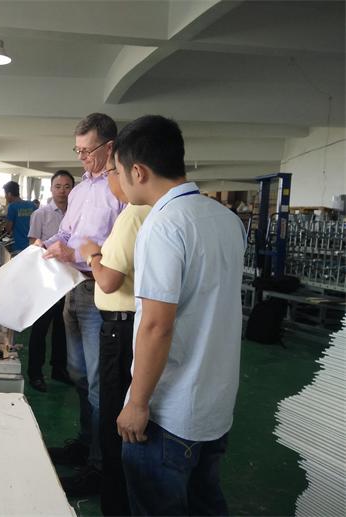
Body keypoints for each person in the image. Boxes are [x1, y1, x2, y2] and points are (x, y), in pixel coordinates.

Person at [114, 115, 246, 515]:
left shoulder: (163, 225)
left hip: (169, 413)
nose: (118, 182)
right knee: (206, 503)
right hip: (215, 404)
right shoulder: (227, 219)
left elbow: (157, 325)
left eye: (118, 171)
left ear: (138, 171)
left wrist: (138, 403)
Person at [40, 113, 126, 496]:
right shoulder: (79, 191)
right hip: (72, 288)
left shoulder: (119, 189)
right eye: (77, 151)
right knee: (77, 373)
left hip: (100, 292)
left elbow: (118, 248)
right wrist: (46, 244)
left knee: (98, 382)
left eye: (87, 151)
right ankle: (85, 442)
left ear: (110, 146)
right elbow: (67, 232)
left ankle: (99, 465)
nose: (82, 158)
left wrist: (72, 252)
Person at [79, 151, 151, 515]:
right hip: (131, 325)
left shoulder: (132, 215)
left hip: (119, 328)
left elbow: (108, 280)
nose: (109, 181)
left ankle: (115, 501)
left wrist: (92, 254)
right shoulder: (156, 212)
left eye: (111, 172)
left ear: (133, 172)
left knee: (113, 418)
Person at [26, 170, 75, 392]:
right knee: (41, 327)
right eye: (58, 186)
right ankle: (35, 373)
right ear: (51, 188)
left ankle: (59, 368)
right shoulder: (41, 214)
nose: (62, 191)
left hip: (70, 278)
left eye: (67, 186)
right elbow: (33, 245)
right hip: (46, 279)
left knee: (62, 327)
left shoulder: (76, 212)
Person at [3, 181, 36, 253]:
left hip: (19, 247)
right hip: (32, 246)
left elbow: (8, 229)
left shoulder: (12, 207)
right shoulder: (32, 205)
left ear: (9, 194)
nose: (5, 197)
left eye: (5, 194)